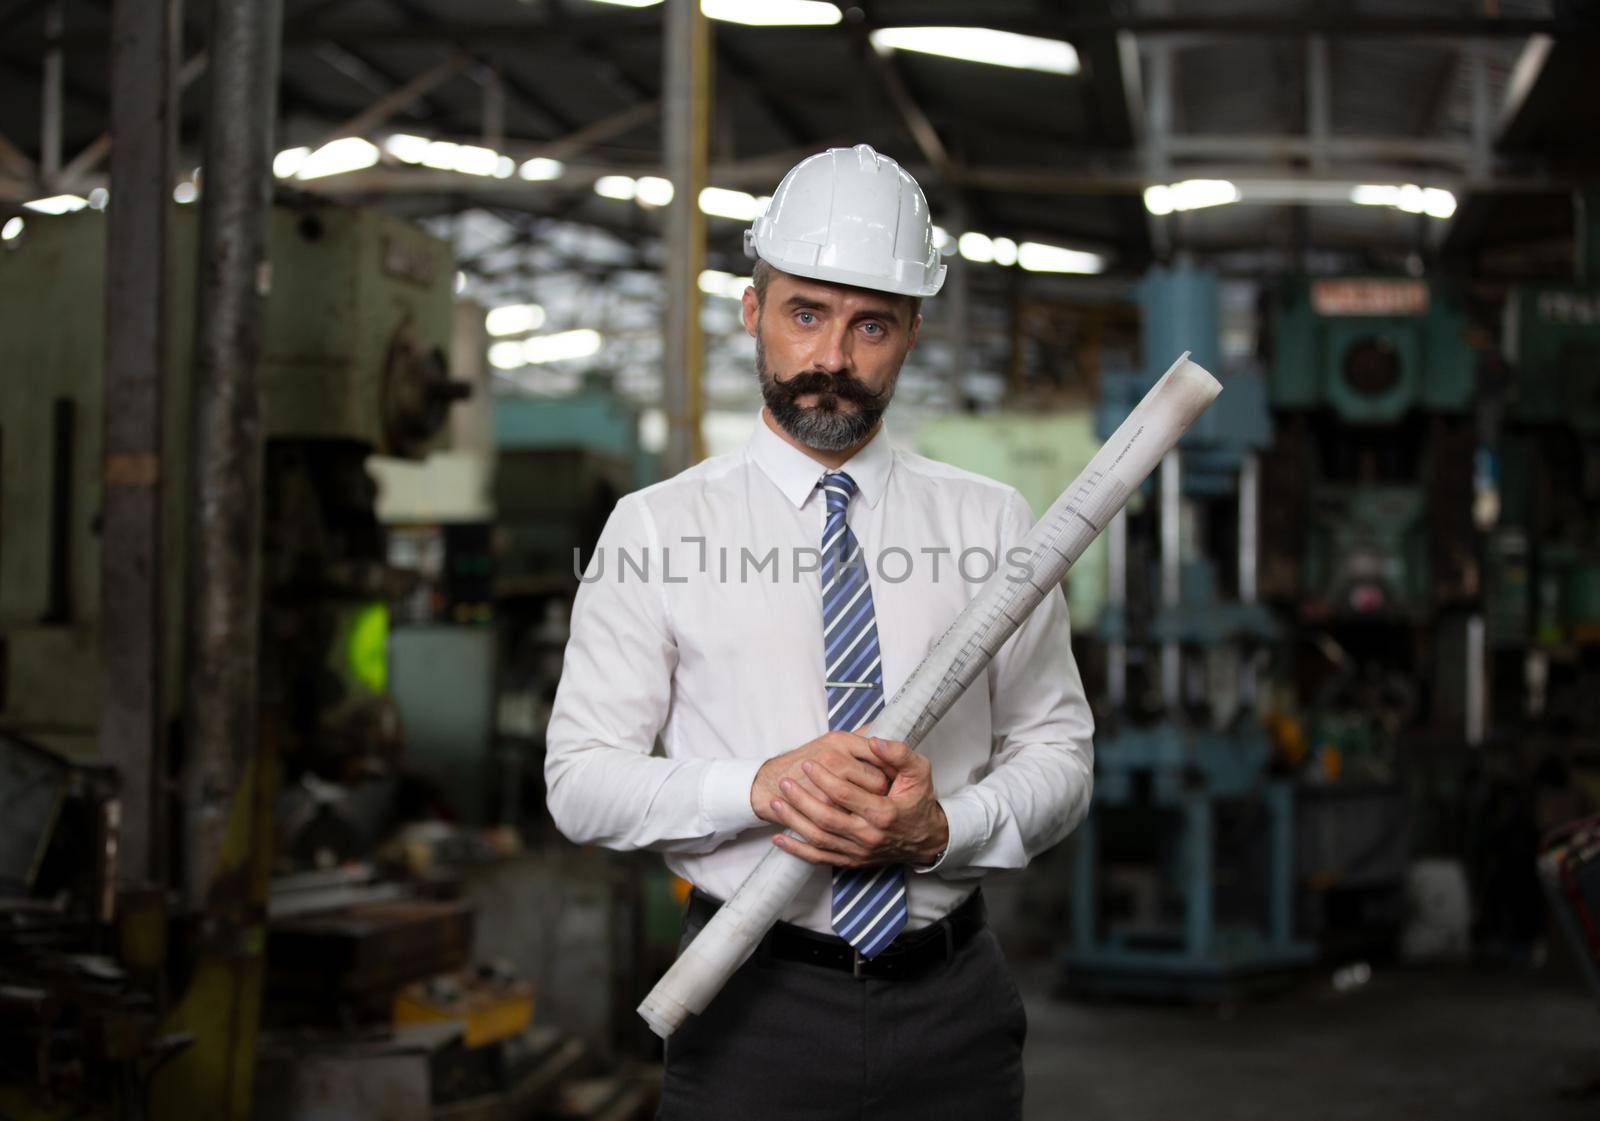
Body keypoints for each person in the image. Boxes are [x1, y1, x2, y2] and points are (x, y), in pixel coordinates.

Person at [545, 143, 1094, 1121]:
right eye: (805, 313)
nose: (832, 359)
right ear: (752, 309)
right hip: (748, 1000)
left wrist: (945, 828)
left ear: (913, 330)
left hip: (952, 1009)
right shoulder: (657, 529)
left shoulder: (991, 523)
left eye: (869, 323)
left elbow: (1060, 750)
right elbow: (581, 780)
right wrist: (758, 784)